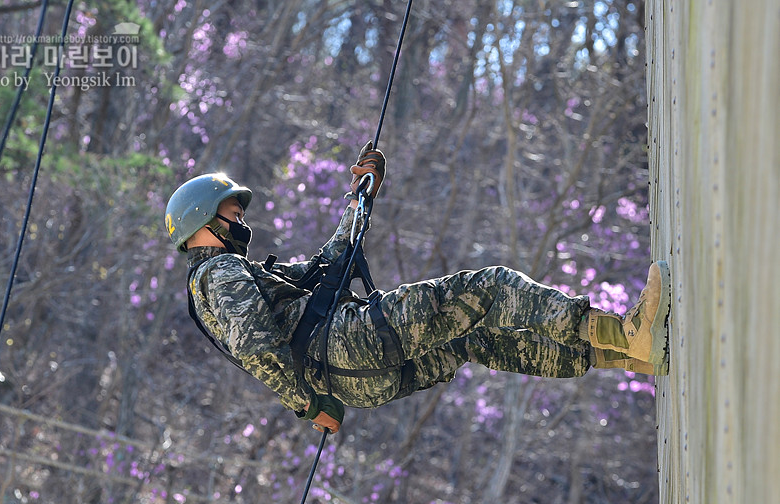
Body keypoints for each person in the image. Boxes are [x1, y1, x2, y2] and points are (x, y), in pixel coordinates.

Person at [164, 144, 671, 434]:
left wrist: (363, 196)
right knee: (488, 289)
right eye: (232, 212)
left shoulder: (235, 276)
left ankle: (623, 357)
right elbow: (256, 347)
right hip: (348, 344)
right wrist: (305, 403)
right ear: (204, 222)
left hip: (359, 379)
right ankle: (626, 335)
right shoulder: (217, 275)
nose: (241, 219)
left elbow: (326, 265)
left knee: (473, 339)